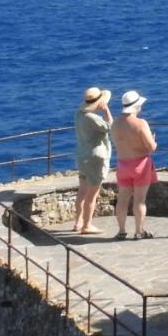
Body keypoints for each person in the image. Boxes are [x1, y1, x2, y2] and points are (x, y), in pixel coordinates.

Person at [111, 90, 158, 240]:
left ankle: (121, 231)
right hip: (140, 165)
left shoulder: (115, 123)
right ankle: (139, 231)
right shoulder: (140, 123)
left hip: (123, 164)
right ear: (137, 106)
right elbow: (151, 147)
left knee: (123, 199)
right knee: (139, 200)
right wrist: (153, 140)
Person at [72, 87, 112, 235]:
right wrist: (106, 111)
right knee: (92, 194)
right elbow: (110, 127)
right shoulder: (93, 118)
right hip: (95, 157)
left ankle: (78, 222)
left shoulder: (79, 114)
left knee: (82, 191)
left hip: (82, 156)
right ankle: (87, 225)